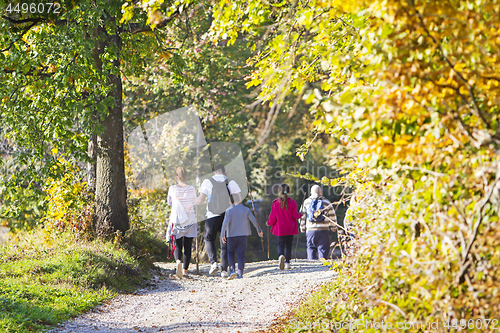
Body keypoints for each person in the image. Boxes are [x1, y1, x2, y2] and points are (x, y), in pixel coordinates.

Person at [196, 164, 242, 277]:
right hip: (227, 215)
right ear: (225, 171)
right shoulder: (231, 181)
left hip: (212, 215)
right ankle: (224, 271)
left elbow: (201, 200)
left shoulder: (208, 181)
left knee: (208, 238)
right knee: (225, 242)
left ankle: (213, 263)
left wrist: (193, 201)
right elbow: (239, 200)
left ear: (214, 172)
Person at [166, 166, 198, 279]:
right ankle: (185, 271)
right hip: (189, 219)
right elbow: (194, 202)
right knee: (188, 246)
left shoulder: (172, 188)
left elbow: (169, 203)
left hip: (177, 220)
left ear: (176, 177)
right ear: (186, 176)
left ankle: (178, 261)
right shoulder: (192, 189)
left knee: (178, 244)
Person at [221, 199, 264, 279]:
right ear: (240, 200)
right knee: (241, 255)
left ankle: (232, 270)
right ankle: (240, 272)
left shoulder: (229, 210)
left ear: (230, 201)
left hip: (231, 236)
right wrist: (259, 230)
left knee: (230, 253)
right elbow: (254, 220)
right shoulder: (246, 209)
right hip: (243, 235)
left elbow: (225, 223)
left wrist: (222, 234)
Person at [267, 184, 303, 270]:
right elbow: (295, 216)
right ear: (289, 191)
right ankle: (287, 263)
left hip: (280, 228)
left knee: (281, 244)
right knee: (289, 245)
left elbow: (273, 217)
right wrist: (301, 214)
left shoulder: (276, 203)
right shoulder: (293, 202)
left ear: (279, 191)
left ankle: (281, 255)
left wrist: (268, 223)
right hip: (290, 228)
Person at [299, 185, 337, 260]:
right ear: (320, 192)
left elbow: (301, 216)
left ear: (311, 193)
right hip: (324, 230)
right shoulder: (326, 202)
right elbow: (333, 216)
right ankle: (322, 266)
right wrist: (333, 227)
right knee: (323, 249)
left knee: (311, 248)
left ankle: (311, 265)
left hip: (310, 230)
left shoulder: (306, 202)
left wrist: (302, 227)